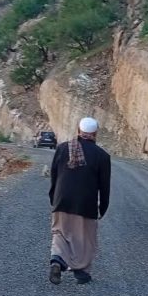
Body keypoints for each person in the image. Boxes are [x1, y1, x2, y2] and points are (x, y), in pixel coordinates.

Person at [48, 116, 111, 285]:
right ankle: (81, 272)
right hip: (86, 203)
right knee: (85, 238)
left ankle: (57, 260)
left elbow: (54, 175)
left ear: (78, 131)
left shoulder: (62, 148)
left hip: (61, 199)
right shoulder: (102, 156)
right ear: (95, 134)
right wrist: (103, 207)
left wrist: (53, 197)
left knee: (60, 232)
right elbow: (104, 186)